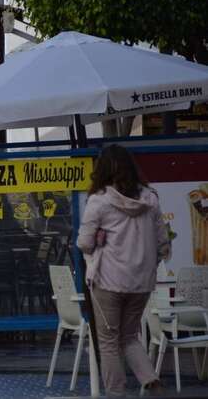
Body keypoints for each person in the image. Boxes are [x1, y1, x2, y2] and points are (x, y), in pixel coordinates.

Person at [77, 145, 170, 396]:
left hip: (107, 281)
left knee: (108, 342)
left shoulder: (99, 201)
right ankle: (151, 379)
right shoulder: (150, 199)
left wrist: (98, 241)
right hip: (141, 283)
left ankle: (116, 394)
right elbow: (163, 243)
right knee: (129, 336)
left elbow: (84, 243)